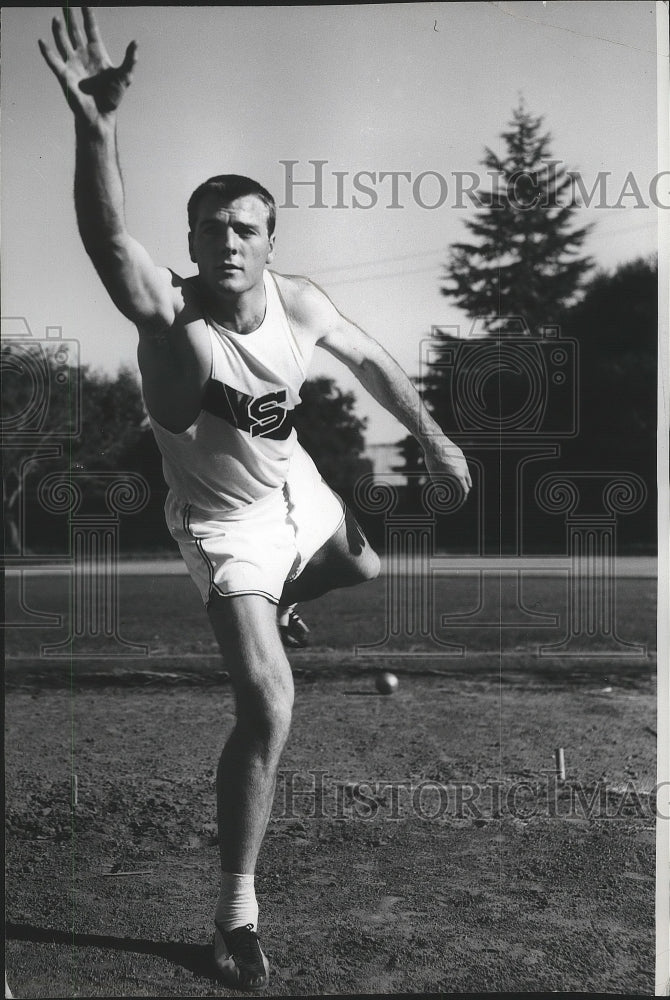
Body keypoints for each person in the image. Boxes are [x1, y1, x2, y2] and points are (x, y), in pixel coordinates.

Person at [39, 8, 472, 992]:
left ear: (271, 241)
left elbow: (370, 361)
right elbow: (111, 245)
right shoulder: (174, 323)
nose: (228, 241)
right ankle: (235, 913)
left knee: (366, 560)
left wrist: (437, 440)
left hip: (294, 492)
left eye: (246, 228)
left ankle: (285, 600)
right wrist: (96, 130)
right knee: (271, 703)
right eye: (210, 228)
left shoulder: (303, 302)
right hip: (222, 526)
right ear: (191, 240)